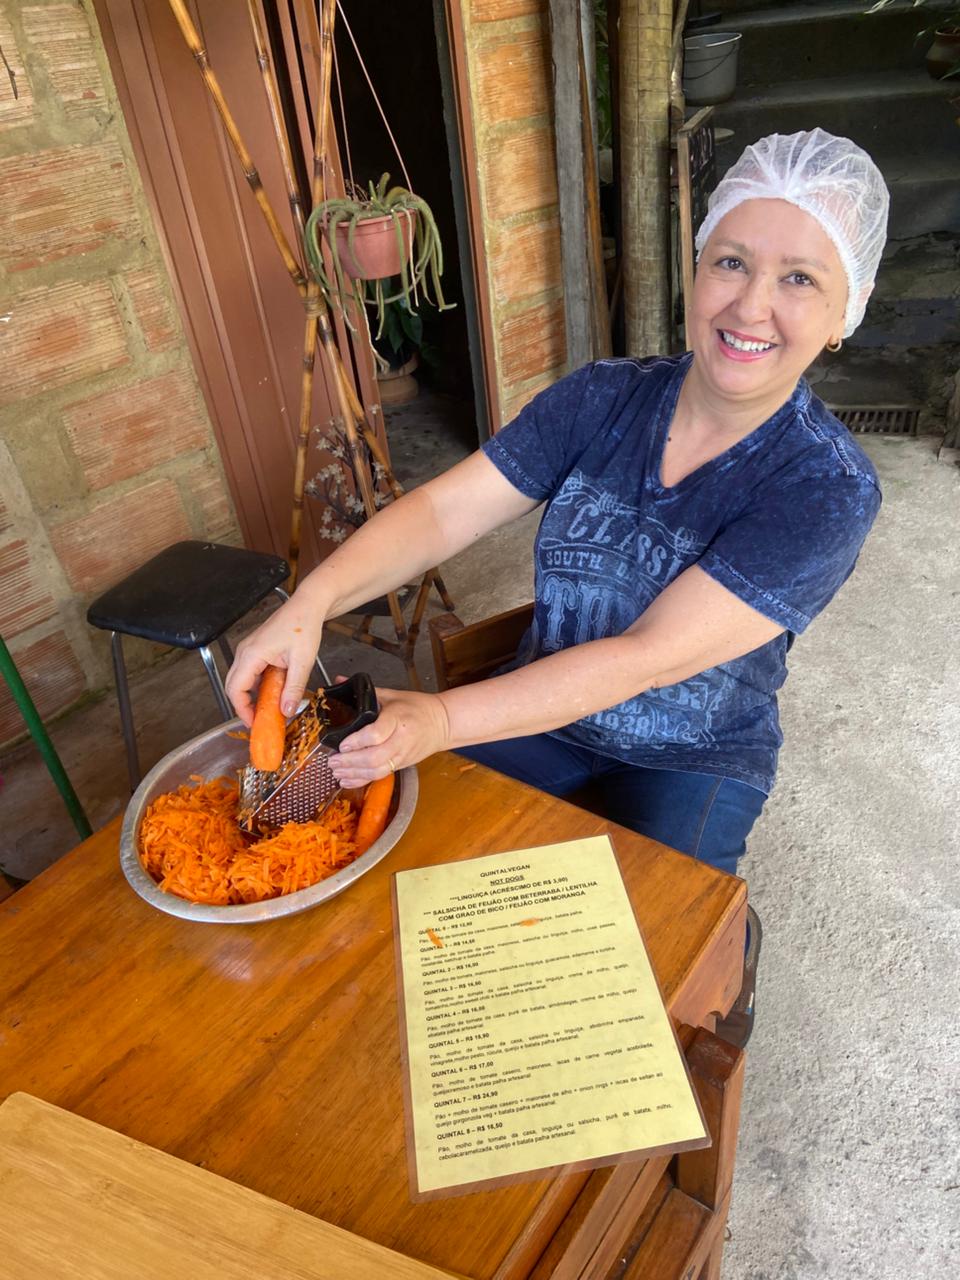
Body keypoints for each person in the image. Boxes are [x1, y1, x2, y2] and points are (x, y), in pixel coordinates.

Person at [225, 129, 889, 882]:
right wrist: (310, 602)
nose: (751, 305)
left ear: (846, 312)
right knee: (401, 875)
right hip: (540, 712)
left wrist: (441, 717)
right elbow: (444, 512)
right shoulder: (604, 397)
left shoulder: (825, 487)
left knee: (669, 934)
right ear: (698, 268)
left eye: (800, 278)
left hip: (692, 755)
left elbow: (645, 659)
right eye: (731, 262)